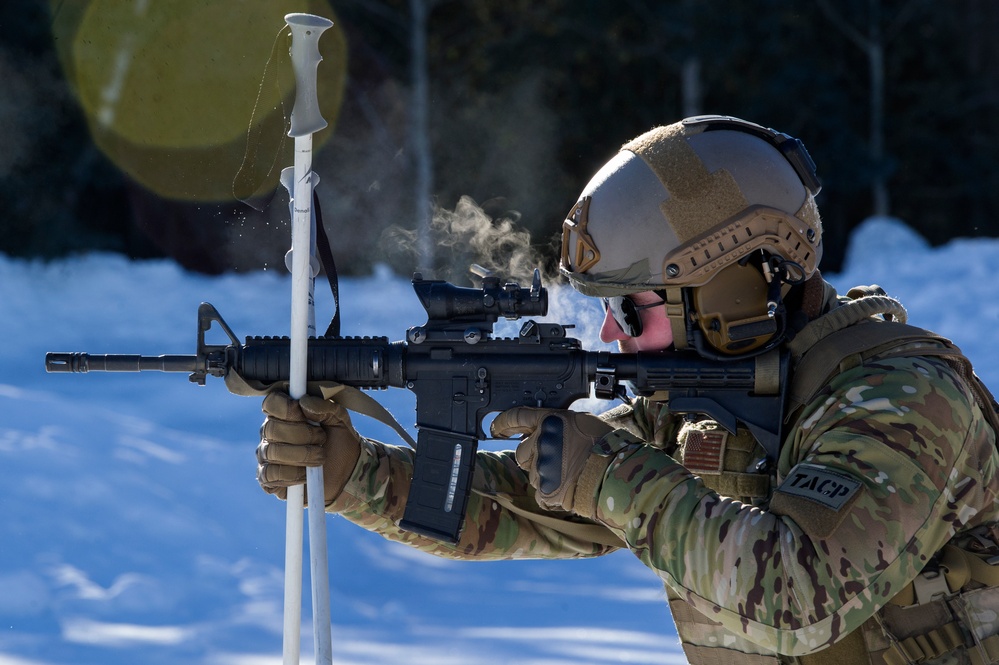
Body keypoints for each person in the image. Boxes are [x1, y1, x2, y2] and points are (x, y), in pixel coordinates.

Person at [255, 115, 999, 664]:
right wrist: (350, 470)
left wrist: (611, 473)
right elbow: (524, 506)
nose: (611, 336)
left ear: (733, 289)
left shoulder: (902, 400)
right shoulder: (698, 404)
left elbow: (797, 599)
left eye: (633, 309)